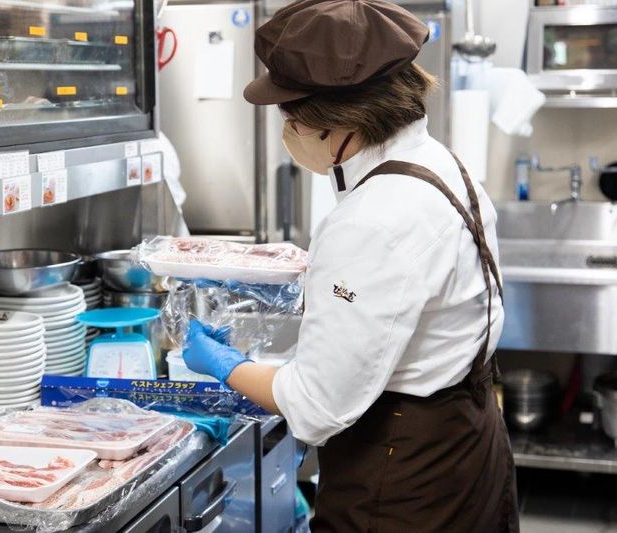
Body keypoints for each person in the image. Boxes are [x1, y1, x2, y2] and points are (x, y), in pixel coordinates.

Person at [181, 0, 519, 531]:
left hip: (402, 480)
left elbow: (315, 408)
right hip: (465, 443)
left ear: (340, 119)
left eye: (293, 117)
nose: (288, 130)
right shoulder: (440, 165)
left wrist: (226, 365)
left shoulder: (371, 220)